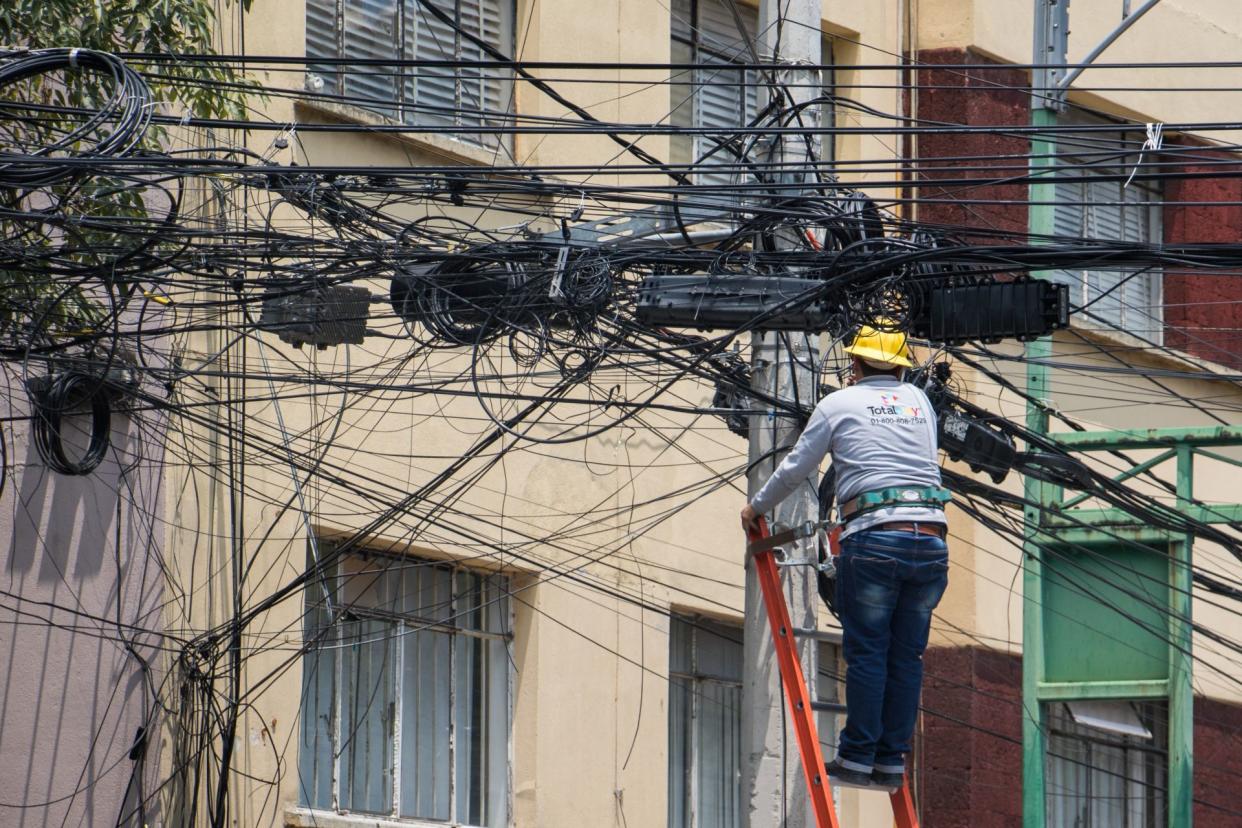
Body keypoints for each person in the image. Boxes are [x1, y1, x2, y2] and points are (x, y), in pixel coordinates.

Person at [740, 322, 949, 792]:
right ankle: (890, 762)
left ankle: (856, 758)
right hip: (932, 540)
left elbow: (797, 465)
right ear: (900, 366)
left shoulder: (838, 404)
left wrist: (756, 507)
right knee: (906, 656)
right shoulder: (921, 403)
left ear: (854, 364)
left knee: (870, 653)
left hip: (876, 539)